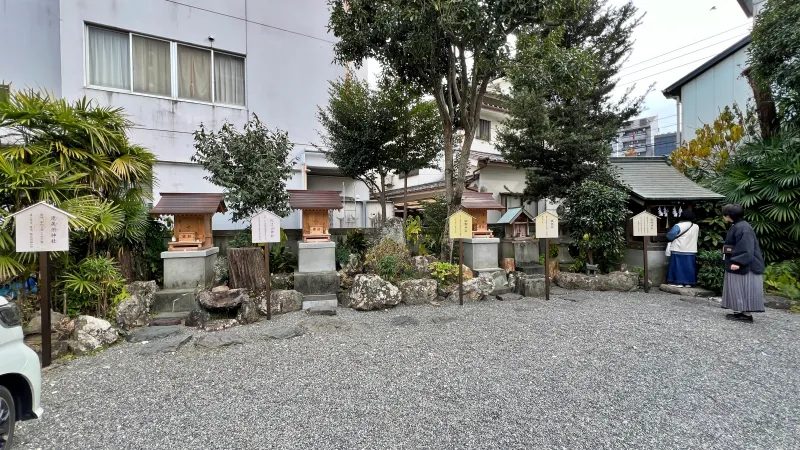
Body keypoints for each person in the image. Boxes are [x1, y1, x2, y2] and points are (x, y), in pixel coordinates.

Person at [721, 204, 765, 322]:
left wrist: (738, 262)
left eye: (725, 215)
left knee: (745, 288)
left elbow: (746, 247)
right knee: (739, 288)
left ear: (729, 216)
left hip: (747, 264)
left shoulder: (743, 228)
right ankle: (741, 312)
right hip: (741, 262)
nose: (724, 217)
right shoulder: (739, 225)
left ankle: (746, 314)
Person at [666, 210, 699, 287]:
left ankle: (677, 282)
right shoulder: (696, 226)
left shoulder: (678, 226)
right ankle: (688, 283)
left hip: (678, 248)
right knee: (689, 267)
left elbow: (670, 236)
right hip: (691, 249)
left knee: (677, 266)